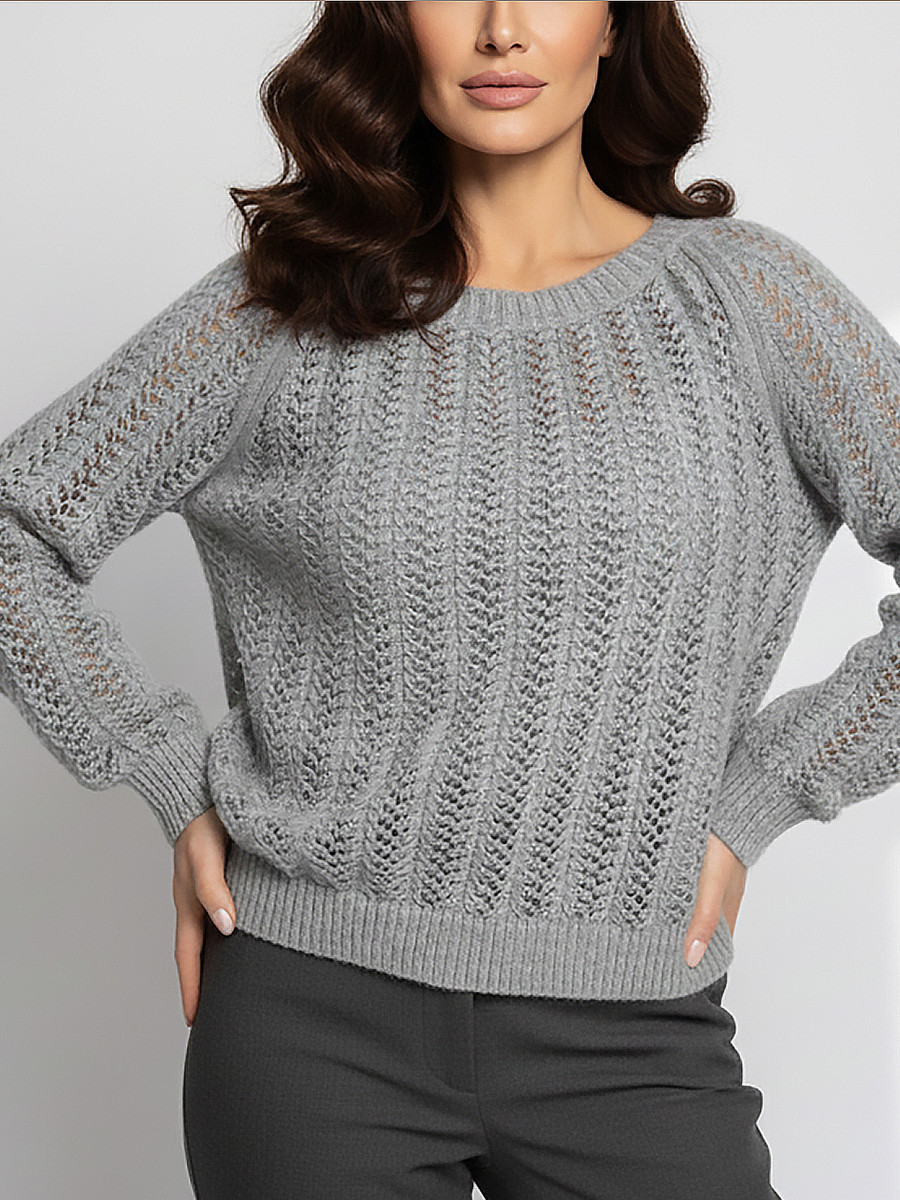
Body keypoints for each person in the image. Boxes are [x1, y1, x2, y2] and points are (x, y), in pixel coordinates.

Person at [3, 0, 898, 1195]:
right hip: (310, 1019)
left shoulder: (751, 304)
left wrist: (768, 790)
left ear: (617, 26)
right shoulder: (285, 309)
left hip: (632, 1032)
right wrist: (166, 773)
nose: (500, 28)